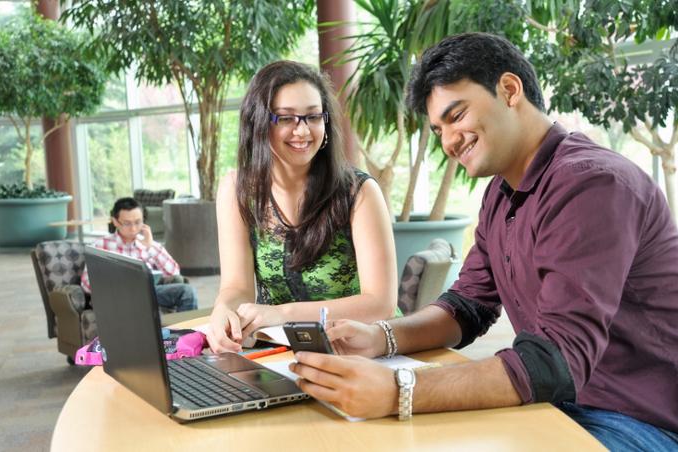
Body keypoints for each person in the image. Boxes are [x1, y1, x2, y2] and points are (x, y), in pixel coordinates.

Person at [289, 33, 678, 450]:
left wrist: (398, 388)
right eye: (439, 129)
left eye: (456, 116)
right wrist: (380, 337)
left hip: (637, 419)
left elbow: (554, 362)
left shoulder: (591, 185)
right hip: (556, 406)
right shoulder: (501, 193)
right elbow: (467, 307)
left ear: (509, 90)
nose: (449, 141)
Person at [206, 61, 397, 353]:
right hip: (289, 351)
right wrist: (223, 311)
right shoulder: (236, 190)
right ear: (258, 123)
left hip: (364, 351)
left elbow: (380, 303)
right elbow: (237, 288)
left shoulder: (359, 191)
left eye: (312, 117)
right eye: (286, 118)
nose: (302, 131)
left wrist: (283, 314)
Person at [81, 197, 198, 313]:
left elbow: (174, 273)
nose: (133, 228)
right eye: (127, 223)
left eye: (138, 222)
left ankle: (185, 331)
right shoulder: (100, 245)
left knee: (187, 291)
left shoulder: (148, 243)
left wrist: (150, 246)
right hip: (119, 296)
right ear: (115, 221)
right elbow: (86, 283)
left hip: (147, 293)